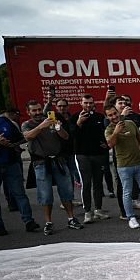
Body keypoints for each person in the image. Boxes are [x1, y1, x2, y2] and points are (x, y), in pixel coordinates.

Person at [21, 100, 84, 235]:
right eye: (34, 110)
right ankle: (48, 222)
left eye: (39, 110)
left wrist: (59, 128)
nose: (38, 113)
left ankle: (71, 218)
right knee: (45, 194)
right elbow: (28, 136)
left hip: (59, 160)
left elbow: (66, 137)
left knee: (66, 190)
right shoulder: (27, 124)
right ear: (28, 112)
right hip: (41, 163)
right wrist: (41, 126)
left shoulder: (52, 120)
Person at [104, 104, 140, 229]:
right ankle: (131, 217)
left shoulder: (130, 123)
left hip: (139, 162)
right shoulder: (109, 129)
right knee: (127, 193)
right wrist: (116, 132)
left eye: (115, 113)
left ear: (118, 112)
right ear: (107, 117)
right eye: (110, 115)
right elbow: (110, 144)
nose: (114, 116)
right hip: (124, 165)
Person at [0, 99, 39, 235]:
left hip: (11, 163)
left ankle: (29, 221)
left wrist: (9, 143)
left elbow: (20, 138)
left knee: (20, 194)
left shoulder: (4, 121)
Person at [69, 94, 111, 223]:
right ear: (81, 103)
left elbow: (104, 133)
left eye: (90, 103)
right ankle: (87, 212)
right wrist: (79, 123)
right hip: (82, 155)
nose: (88, 105)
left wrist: (105, 145)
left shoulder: (99, 117)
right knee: (86, 183)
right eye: (85, 103)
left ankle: (98, 209)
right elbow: (71, 136)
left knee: (98, 183)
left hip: (98, 155)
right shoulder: (75, 117)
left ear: (94, 103)